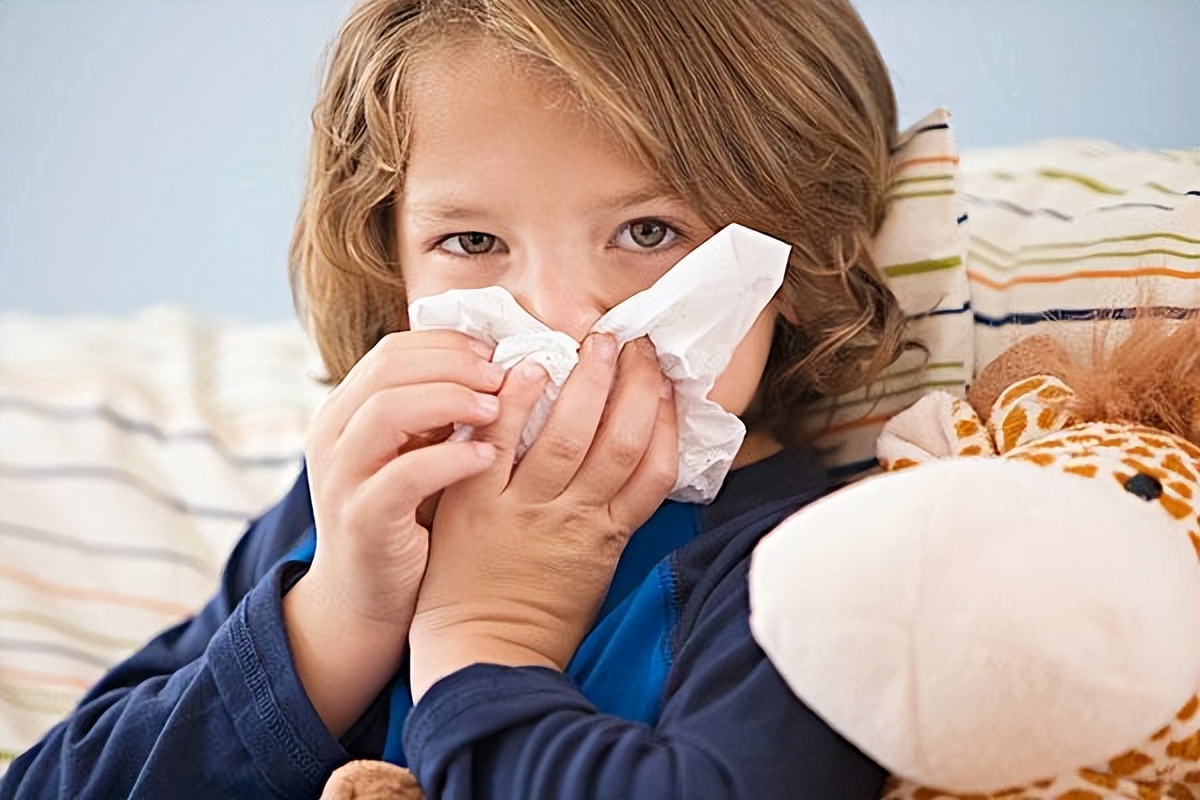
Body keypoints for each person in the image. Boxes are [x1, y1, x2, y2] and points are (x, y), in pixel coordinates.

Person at [1, 1, 910, 797]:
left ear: (794, 258)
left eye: (647, 231)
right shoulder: (364, 503)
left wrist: (491, 636)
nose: (551, 312)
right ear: (390, 260)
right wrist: (333, 624)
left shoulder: (807, 571)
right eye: (472, 241)